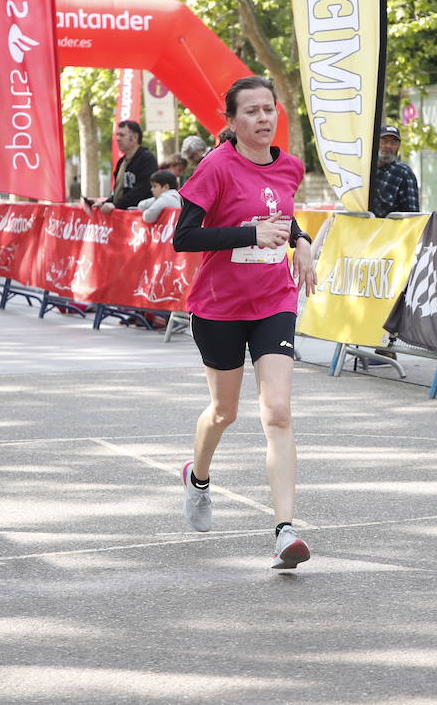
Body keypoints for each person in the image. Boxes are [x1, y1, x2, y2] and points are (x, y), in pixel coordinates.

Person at [172, 75, 318, 569]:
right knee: (224, 412)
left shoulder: (291, 166)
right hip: (218, 306)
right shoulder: (215, 168)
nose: (263, 118)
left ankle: (285, 532)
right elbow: (184, 238)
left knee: (277, 411)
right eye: (251, 112)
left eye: (268, 109)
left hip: (275, 300)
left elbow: (284, 216)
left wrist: (302, 242)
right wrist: (247, 234)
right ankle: (198, 477)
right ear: (231, 123)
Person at [94, 119, 157, 215]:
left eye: (122, 135)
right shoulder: (121, 162)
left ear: (135, 137)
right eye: (117, 135)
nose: (118, 138)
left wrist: (117, 205)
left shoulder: (147, 159)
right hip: (121, 216)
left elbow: (142, 189)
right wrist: (104, 203)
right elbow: (119, 193)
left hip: (139, 217)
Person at [370, 124, 419, 217]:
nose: (388, 146)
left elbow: (412, 216)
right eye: (384, 141)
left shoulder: (405, 174)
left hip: (389, 231)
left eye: (393, 142)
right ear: (376, 142)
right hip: (360, 229)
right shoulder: (365, 170)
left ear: (398, 146)